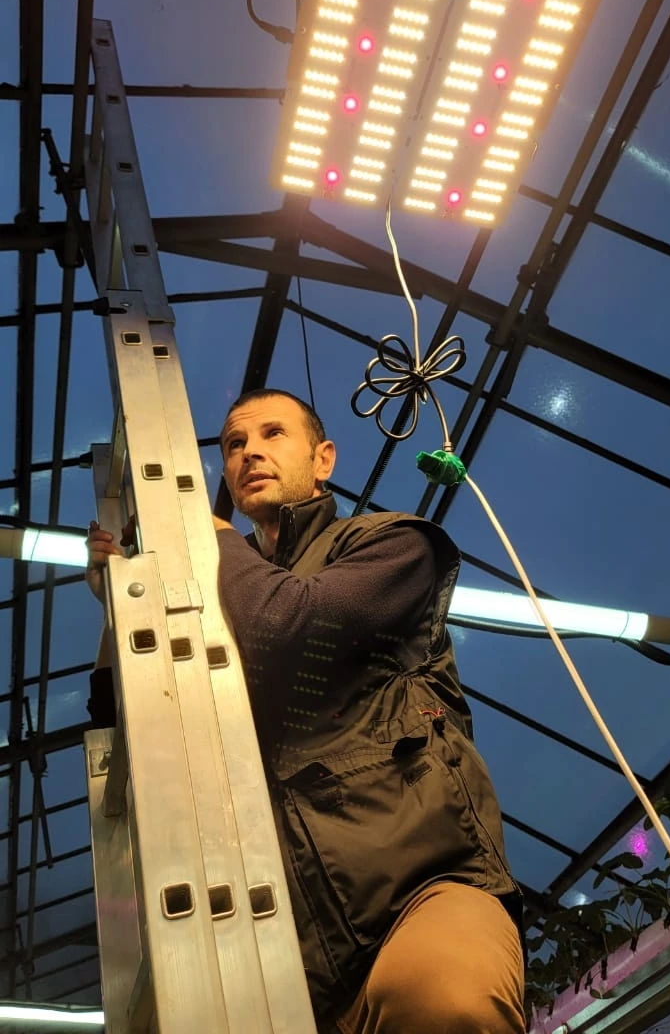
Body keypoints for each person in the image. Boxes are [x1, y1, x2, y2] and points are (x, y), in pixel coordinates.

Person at [87, 389, 525, 1034]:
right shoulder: (216, 597)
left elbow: (289, 627)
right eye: (234, 444)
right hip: (287, 956)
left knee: (446, 1006)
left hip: (418, 894)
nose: (249, 452)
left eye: (273, 434)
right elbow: (132, 727)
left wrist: (212, 539)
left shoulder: (394, 545)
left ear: (324, 459)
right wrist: (121, 610)